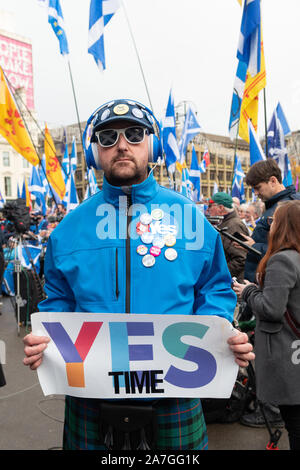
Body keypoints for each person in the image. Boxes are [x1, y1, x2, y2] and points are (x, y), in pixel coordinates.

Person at [23, 99, 254, 451]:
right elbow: (59, 302)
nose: (121, 144)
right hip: (91, 394)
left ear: (154, 145)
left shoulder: (190, 218)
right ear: (94, 153)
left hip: (175, 392)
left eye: (134, 133)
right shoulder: (67, 230)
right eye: (107, 137)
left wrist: (218, 335)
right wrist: (45, 341)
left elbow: (215, 290)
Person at [233, 200, 300, 450]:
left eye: (273, 222)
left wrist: (250, 291)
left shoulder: (283, 260)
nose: (269, 226)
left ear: (284, 225)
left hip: (286, 354)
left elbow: (272, 309)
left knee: (294, 423)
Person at [241, 159, 300, 283]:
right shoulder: (274, 205)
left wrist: (254, 246)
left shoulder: (289, 207)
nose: (255, 193)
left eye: (258, 187)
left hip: (276, 285)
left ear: (273, 181)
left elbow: (290, 249)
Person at [208, 192, 249, 282]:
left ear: (221, 208)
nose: (208, 210)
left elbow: (241, 258)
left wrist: (219, 275)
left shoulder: (234, 225)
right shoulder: (227, 223)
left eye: (210, 206)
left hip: (233, 285)